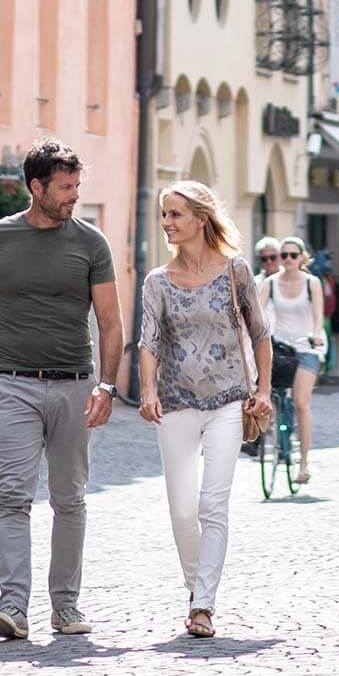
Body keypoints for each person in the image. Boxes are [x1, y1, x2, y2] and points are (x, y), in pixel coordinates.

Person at [0, 139, 123, 642]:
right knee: (12, 496)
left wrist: (107, 386)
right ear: (36, 187)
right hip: (12, 384)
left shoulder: (91, 243)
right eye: (64, 188)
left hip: (74, 384)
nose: (73, 197)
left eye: (76, 187)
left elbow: (111, 323)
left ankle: (66, 607)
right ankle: (13, 607)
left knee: (69, 499)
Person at [137, 183, 270, 637]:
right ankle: (197, 588)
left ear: (200, 219)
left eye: (176, 214)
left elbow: (260, 333)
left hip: (229, 401)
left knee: (213, 502)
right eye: (164, 215)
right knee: (180, 510)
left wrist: (264, 389)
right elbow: (149, 340)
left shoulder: (236, 270)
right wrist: (148, 390)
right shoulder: (157, 281)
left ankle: (203, 605)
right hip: (175, 404)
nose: (168, 223)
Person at [260, 234, 328, 487]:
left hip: (306, 346)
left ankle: (304, 463)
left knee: (301, 402)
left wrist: (317, 335)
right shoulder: (270, 282)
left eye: (292, 255)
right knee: (270, 395)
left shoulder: (312, 283)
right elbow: (258, 312)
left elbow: (318, 317)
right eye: (283, 255)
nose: (287, 259)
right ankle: (271, 437)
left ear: (301, 258)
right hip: (280, 347)